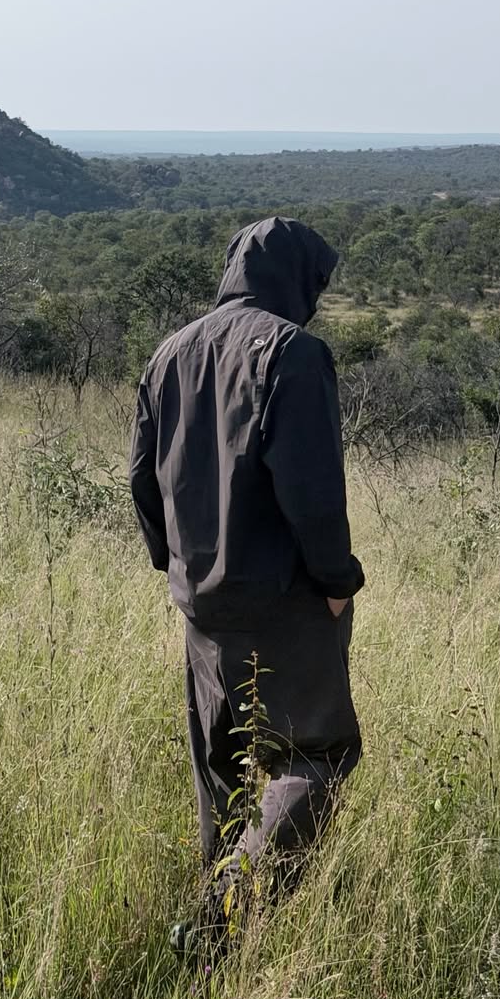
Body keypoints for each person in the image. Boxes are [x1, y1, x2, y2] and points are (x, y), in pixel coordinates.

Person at [129, 217, 364, 917]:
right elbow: (312, 493)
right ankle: (224, 917)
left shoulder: (169, 353)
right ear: (299, 279)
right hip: (282, 600)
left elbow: (142, 479)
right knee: (315, 756)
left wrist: (174, 564)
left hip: (201, 604)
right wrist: (337, 582)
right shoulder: (294, 352)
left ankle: (216, 944)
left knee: (222, 772)